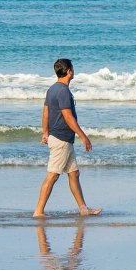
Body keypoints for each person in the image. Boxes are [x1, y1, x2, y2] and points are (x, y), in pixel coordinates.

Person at [33, 59, 101, 217]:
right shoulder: (63, 90)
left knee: (74, 173)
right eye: (73, 69)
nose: (73, 71)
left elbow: (45, 112)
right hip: (61, 140)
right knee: (53, 175)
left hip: (63, 139)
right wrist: (84, 136)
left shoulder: (52, 89)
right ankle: (38, 211)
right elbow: (68, 117)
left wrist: (45, 132)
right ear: (69, 71)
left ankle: (83, 209)